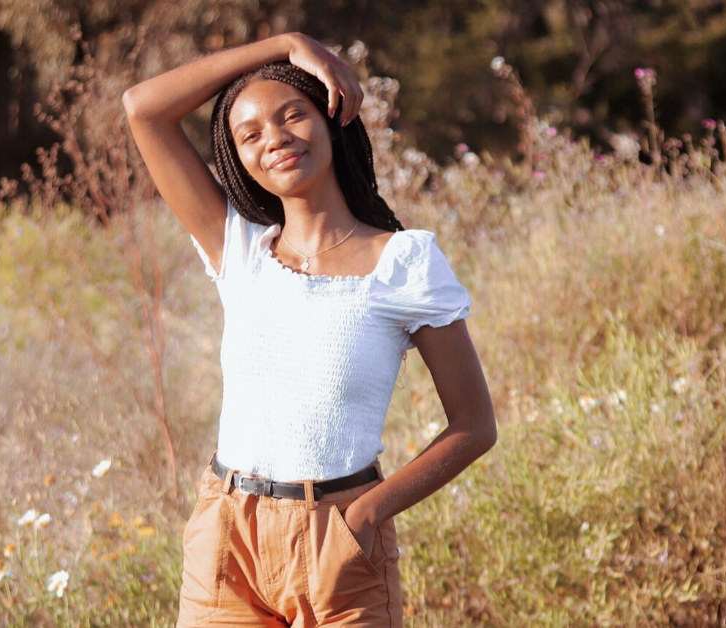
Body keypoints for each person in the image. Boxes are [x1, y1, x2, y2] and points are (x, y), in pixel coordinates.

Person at [122, 32, 497, 628]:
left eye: (292, 115)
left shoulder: (405, 263)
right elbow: (144, 107)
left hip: (339, 538)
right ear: (237, 156)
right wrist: (287, 44)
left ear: (330, 116)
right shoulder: (238, 248)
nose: (274, 139)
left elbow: (475, 427)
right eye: (250, 134)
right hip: (227, 536)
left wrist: (367, 515)